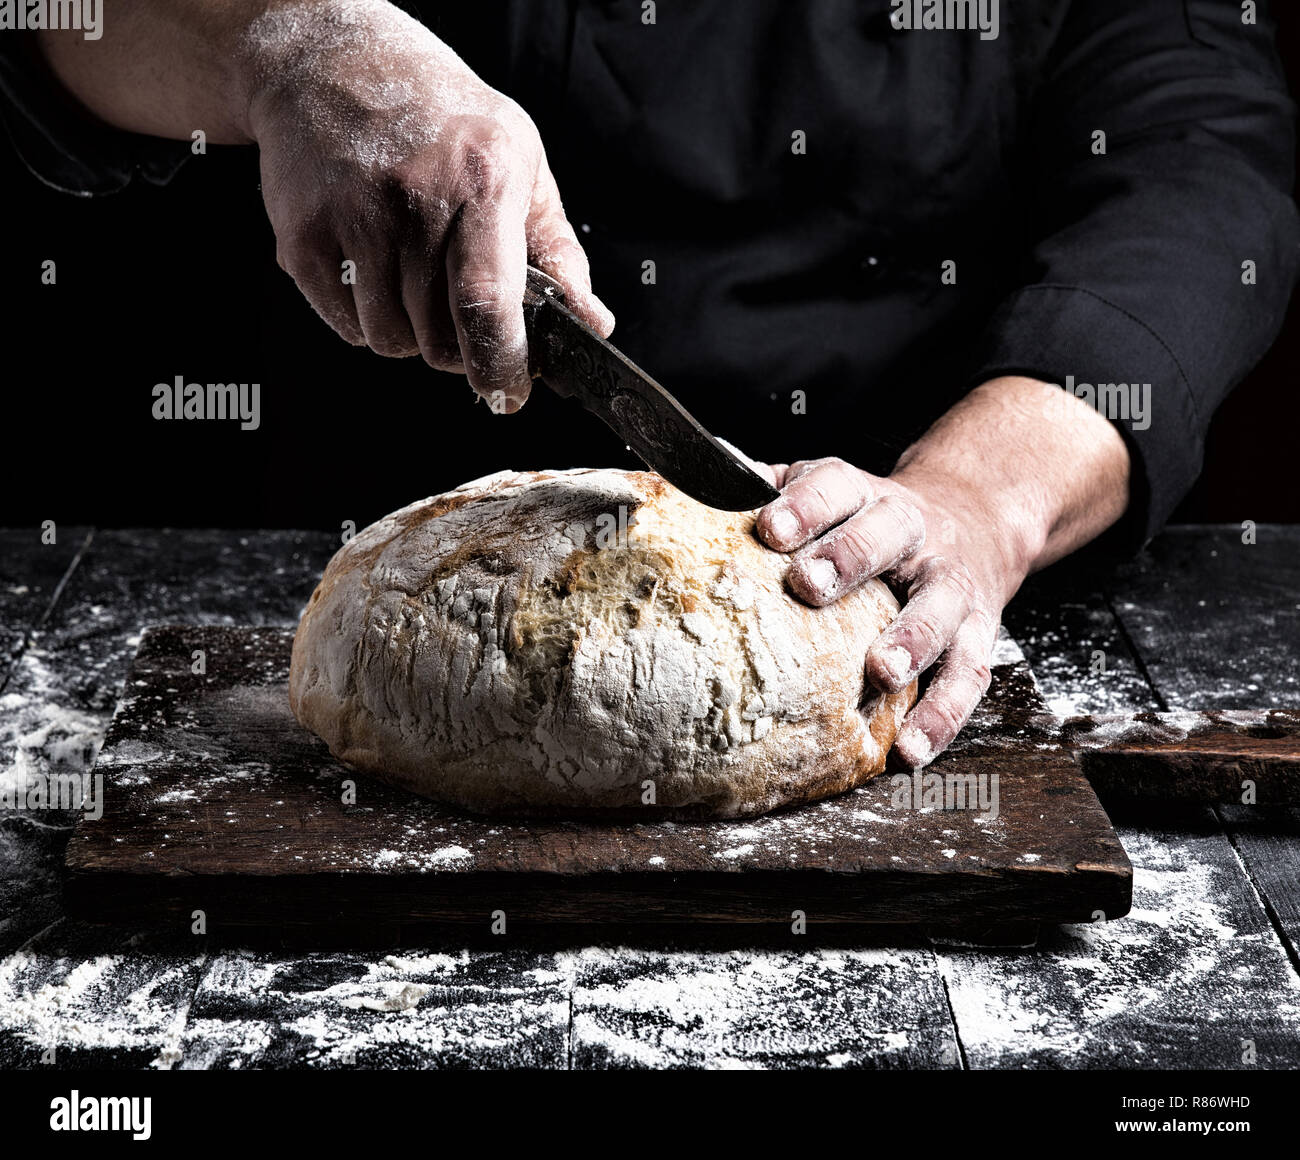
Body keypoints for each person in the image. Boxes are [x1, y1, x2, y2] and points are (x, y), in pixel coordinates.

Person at [9, 0, 1296, 769]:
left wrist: (977, 496)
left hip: (861, 567)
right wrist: (280, 39)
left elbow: (1195, 175)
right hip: (354, 556)